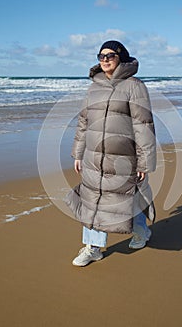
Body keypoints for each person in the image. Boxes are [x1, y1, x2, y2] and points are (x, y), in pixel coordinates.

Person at [67, 40, 156, 266]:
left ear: (121, 57)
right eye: (101, 56)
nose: (105, 59)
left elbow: (143, 125)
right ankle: (93, 248)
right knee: (93, 202)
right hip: (93, 157)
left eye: (110, 55)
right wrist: (78, 153)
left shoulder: (134, 86)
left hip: (123, 159)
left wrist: (144, 162)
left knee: (123, 199)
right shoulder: (94, 87)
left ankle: (141, 231)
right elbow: (83, 122)